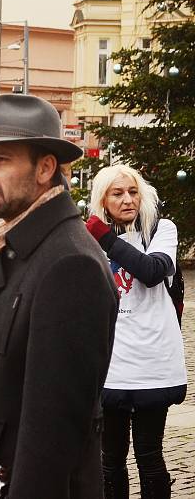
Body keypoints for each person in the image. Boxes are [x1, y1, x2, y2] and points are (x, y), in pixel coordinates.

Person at [0, 94, 119, 498]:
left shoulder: (70, 265)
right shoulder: (15, 245)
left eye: (0, 159)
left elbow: (52, 442)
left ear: (45, 168)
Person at [86, 165, 186, 498]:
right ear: (102, 199)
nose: (128, 199)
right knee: (109, 460)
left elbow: (151, 271)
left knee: (149, 455)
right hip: (110, 362)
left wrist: (104, 237)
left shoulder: (161, 229)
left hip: (152, 360)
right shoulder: (90, 238)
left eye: (132, 191)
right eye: (117, 193)